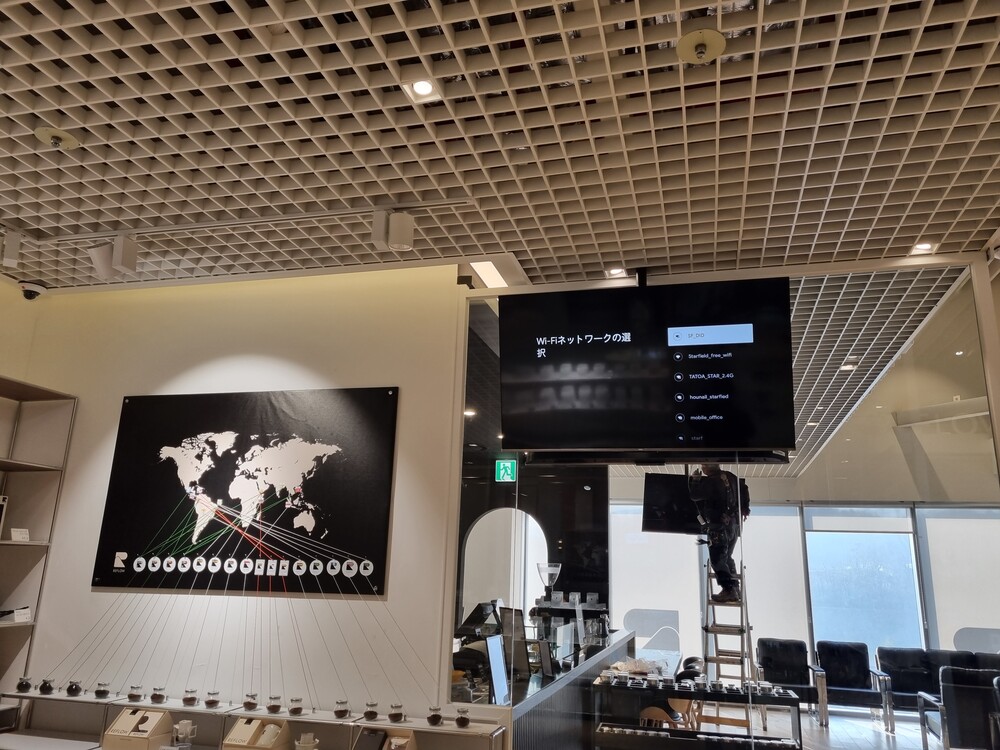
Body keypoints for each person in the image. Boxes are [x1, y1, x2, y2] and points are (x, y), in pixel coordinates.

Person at [688, 463, 750, 603]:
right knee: (727, 558)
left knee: (717, 559)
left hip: (718, 526)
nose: (702, 468)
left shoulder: (711, 481)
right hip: (733, 526)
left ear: (707, 468)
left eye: (703, 465)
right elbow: (744, 488)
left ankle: (728, 590)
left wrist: (695, 480)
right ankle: (735, 588)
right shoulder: (730, 476)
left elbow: (694, 496)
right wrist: (745, 508)